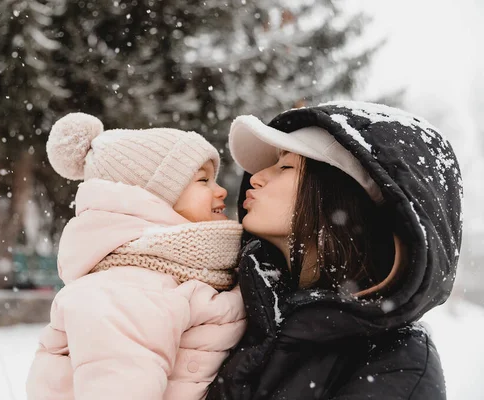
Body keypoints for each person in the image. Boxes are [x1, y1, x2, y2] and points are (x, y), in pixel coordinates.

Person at [207, 101, 462, 400]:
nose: (257, 177)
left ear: (343, 197)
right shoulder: (236, 306)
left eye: (285, 166)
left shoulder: (397, 366)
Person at [26, 113, 246, 400]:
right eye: (203, 180)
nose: (221, 191)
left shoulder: (177, 274)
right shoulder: (126, 287)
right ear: (155, 195)